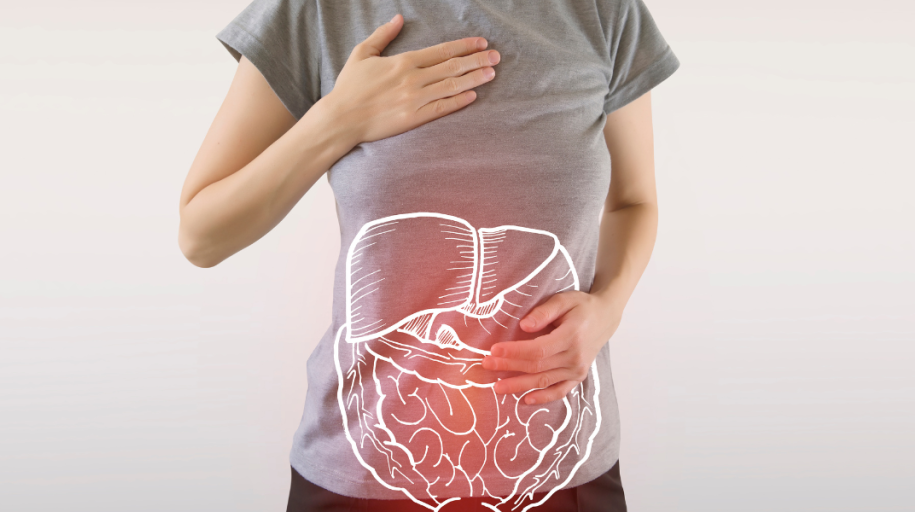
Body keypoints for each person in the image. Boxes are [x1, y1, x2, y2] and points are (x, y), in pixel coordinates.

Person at [178, 1, 679, 510]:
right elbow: (202, 235)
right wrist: (337, 120)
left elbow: (634, 202)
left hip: (563, 475)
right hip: (360, 478)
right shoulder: (318, 12)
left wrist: (608, 308)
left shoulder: (604, 11)